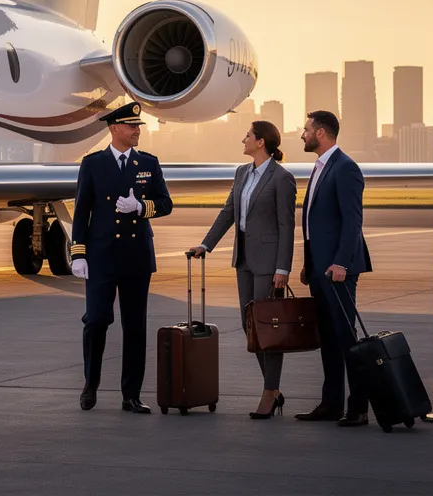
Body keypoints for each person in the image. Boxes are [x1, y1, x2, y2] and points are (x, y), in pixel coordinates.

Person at [70, 101, 173, 413]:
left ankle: (131, 395)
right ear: (114, 129)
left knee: (135, 326)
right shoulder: (92, 163)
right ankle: (91, 384)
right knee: (97, 320)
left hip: (135, 256)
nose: (137, 131)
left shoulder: (148, 163)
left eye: (138, 126)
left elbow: (165, 203)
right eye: (131, 126)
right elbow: (81, 210)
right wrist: (78, 253)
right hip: (101, 256)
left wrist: (141, 208)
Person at [190, 120, 296, 419]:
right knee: (251, 326)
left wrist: (282, 267)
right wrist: (206, 244)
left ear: (261, 142)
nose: (243, 139)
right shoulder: (242, 173)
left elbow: (287, 226)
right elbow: (229, 212)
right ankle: (273, 390)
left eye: (247, 135)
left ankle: (268, 392)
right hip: (244, 260)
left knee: (268, 329)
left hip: (269, 263)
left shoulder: (281, 178)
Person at [294, 110, 373, 427]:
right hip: (319, 268)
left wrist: (341, 261)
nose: (302, 134)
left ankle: (359, 407)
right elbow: (316, 223)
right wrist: (307, 262)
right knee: (327, 337)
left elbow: (353, 220)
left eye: (306, 129)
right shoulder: (321, 167)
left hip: (338, 269)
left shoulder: (345, 168)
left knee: (345, 338)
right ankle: (331, 404)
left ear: (321, 133)